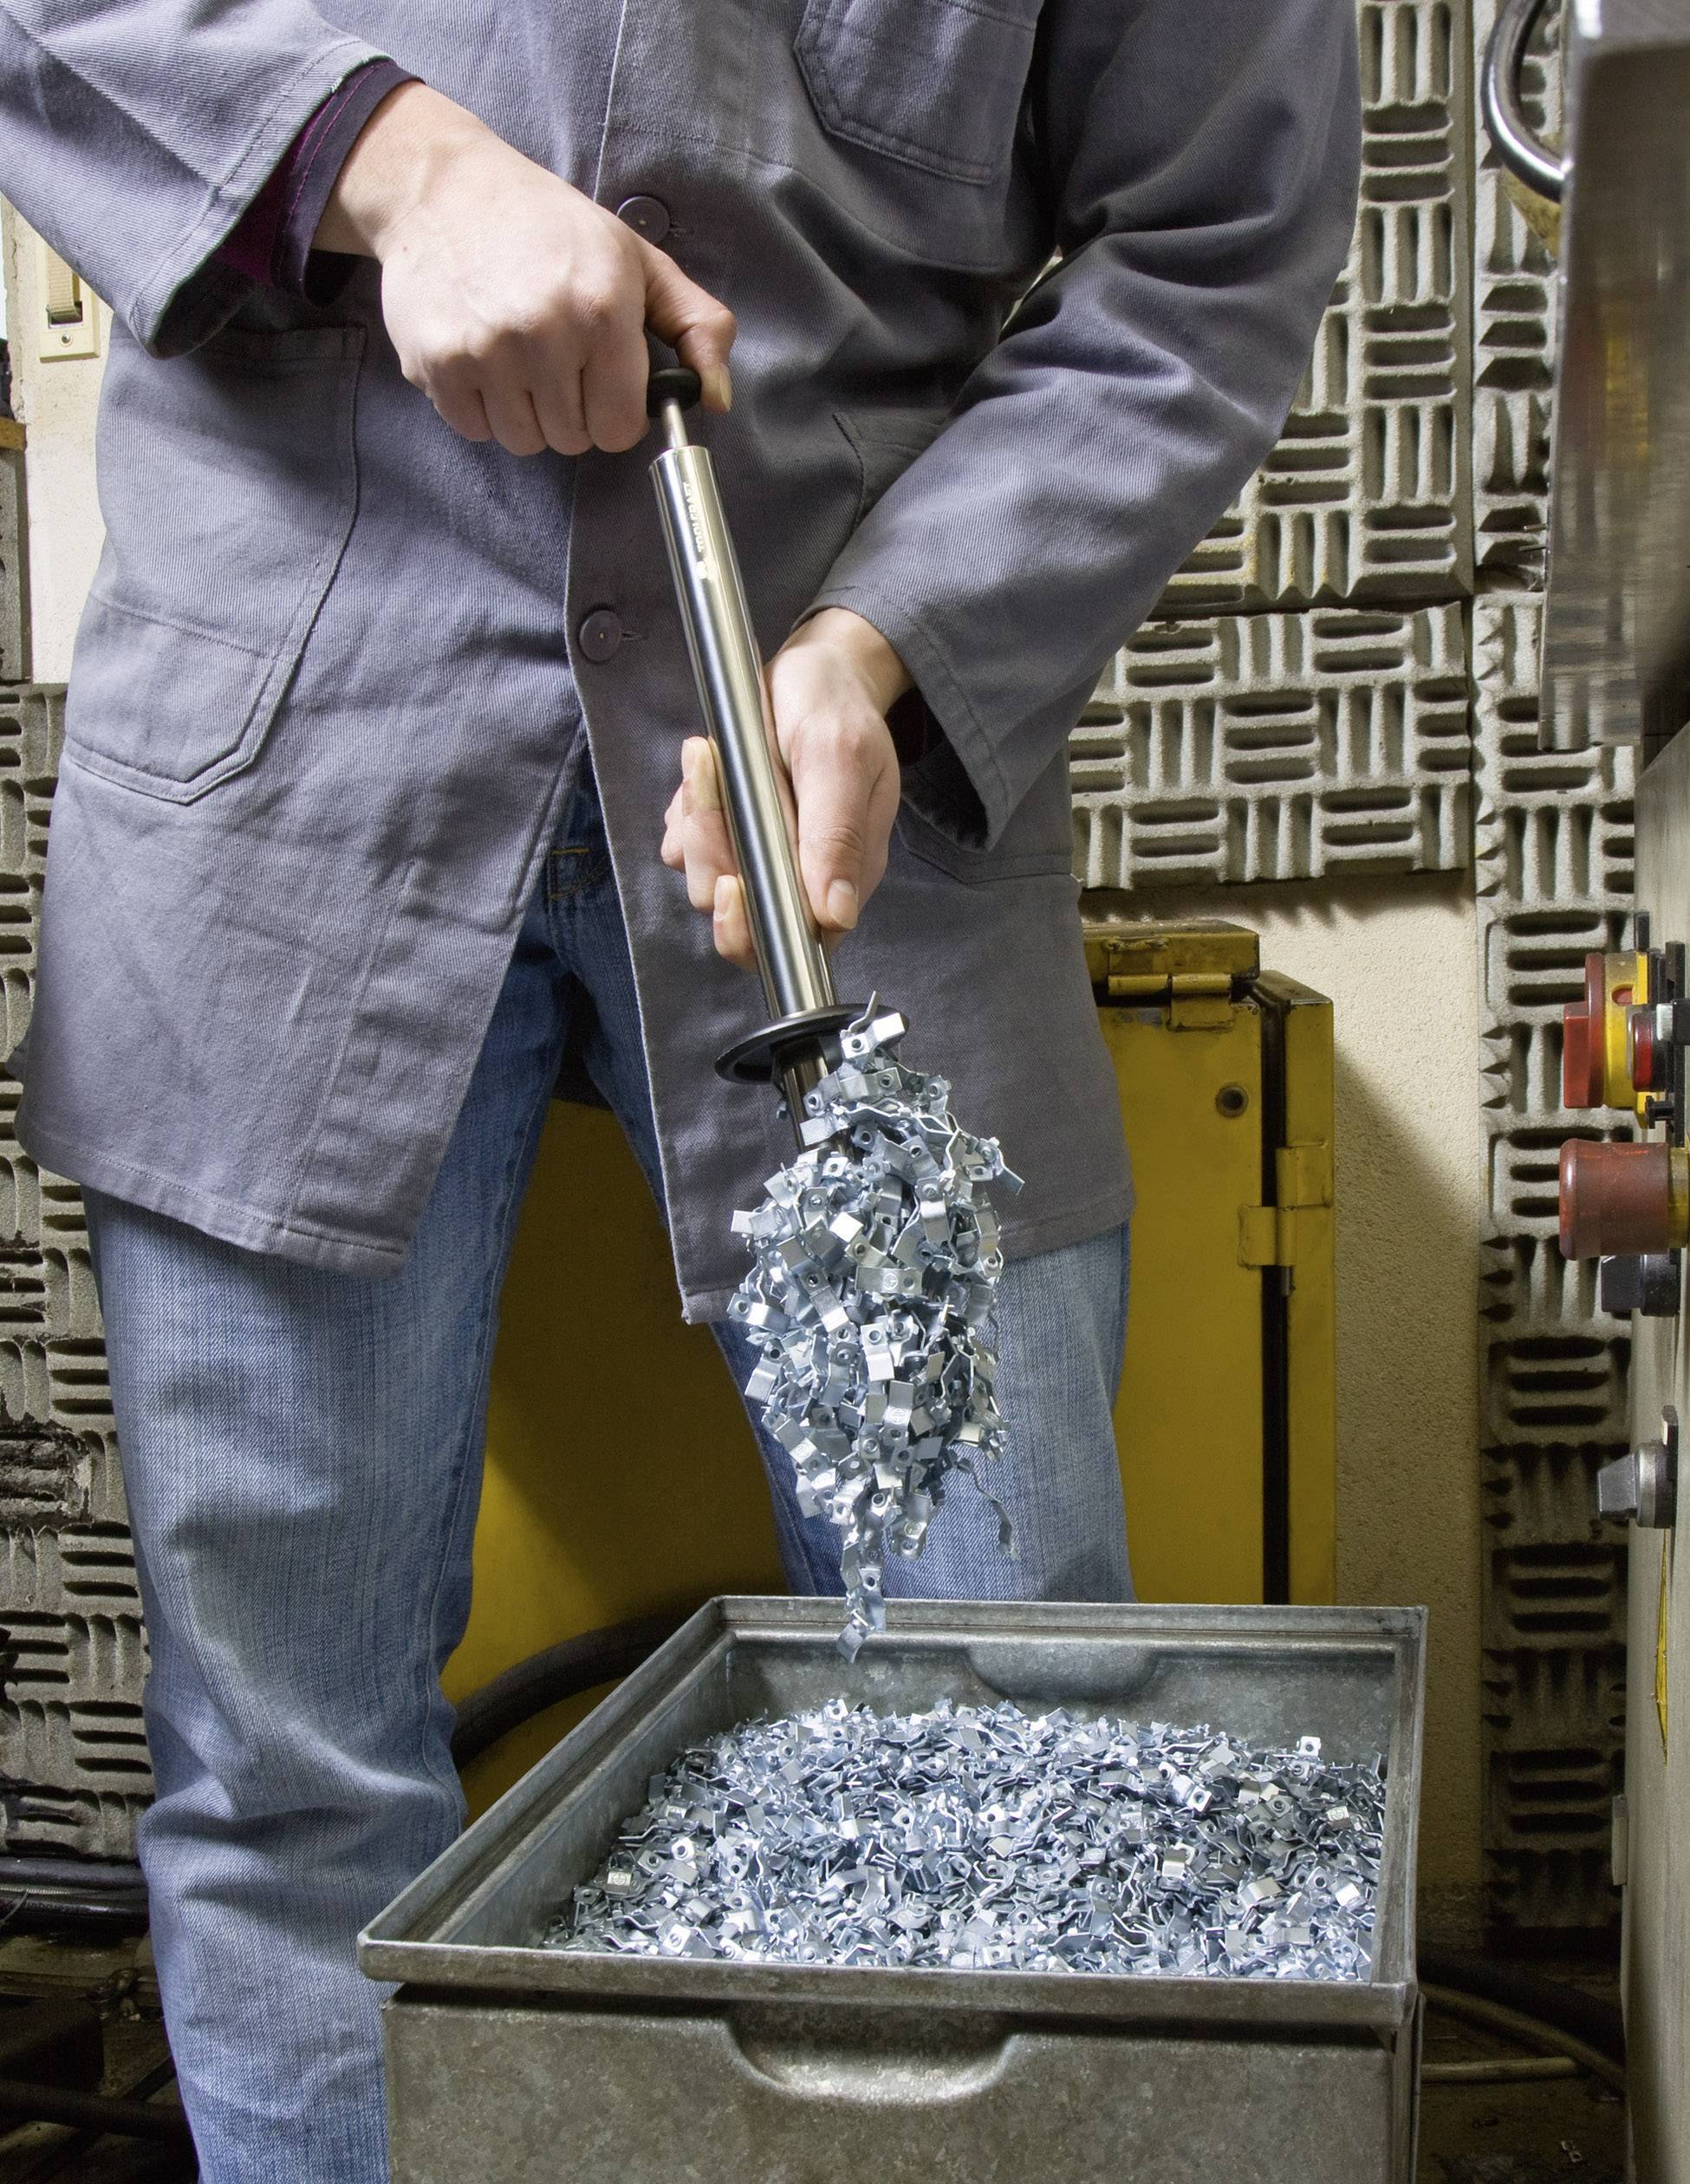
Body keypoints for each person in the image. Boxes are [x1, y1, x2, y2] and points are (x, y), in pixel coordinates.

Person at [0, 4, 1359, 2174]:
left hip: (842, 779)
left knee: (1021, 1710)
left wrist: (893, 640)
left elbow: (1214, 236)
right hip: (291, 740)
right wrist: (391, 162)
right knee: (283, 1767)